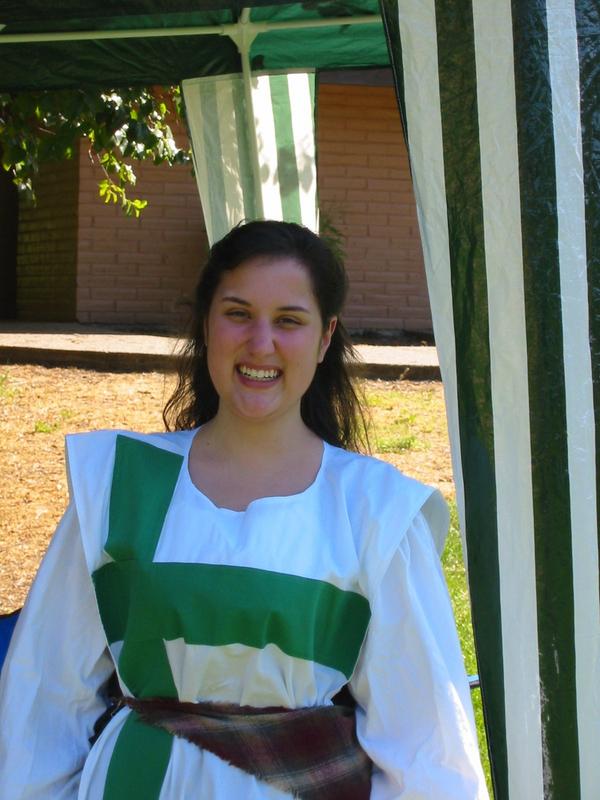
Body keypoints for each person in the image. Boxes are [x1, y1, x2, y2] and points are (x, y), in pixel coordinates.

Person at [0, 220, 488, 798]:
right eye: (238, 313)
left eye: (289, 320)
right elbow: (44, 699)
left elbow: (426, 747)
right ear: (207, 323)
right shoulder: (118, 482)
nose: (261, 343)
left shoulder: (374, 509)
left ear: (325, 338)